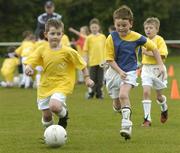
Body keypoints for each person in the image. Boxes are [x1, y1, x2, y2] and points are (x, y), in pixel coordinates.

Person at [105, 5, 166, 140]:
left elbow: (154, 48)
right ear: (114, 23)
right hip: (113, 72)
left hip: (130, 71)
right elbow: (109, 59)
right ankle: (124, 113)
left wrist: (161, 65)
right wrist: (119, 71)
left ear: (131, 24)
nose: (121, 28)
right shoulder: (111, 37)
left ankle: (126, 125)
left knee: (123, 94)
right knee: (116, 105)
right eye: (118, 25)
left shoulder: (138, 37)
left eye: (124, 25)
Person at [24, 19, 94, 129]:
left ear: (62, 34)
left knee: (54, 106)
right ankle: (51, 134)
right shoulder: (41, 49)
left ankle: (64, 115)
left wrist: (87, 78)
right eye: (52, 33)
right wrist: (28, 68)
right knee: (46, 116)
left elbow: (82, 65)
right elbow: (31, 61)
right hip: (45, 85)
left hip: (62, 83)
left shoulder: (68, 51)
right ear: (46, 34)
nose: (55, 36)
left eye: (58, 33)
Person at [141, 17, 168, 127]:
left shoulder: (159, 40)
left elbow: (162, 55)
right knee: (146, 92)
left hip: (158, 69)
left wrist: (148, 53)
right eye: (146, 28)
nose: (148, 30)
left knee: (159, 97)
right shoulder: (143, 40)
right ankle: (147, 119)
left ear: (157, 29)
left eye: (151, 28)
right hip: (146, 69)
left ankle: (164, 108)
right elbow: (141, 54)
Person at [83, 18, 106, 99]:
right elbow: (85, 50)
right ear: (90, 28)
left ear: (98, 27)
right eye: (92, 27)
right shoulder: (88, 38)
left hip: (101, 62)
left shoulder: (103, 37)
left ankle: (99, 94)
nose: (94, 29)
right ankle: (91, 93)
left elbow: (106, 49)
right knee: (92, 79)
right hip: (92, 62)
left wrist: (106, 60)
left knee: (100, 80)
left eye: (95, 27)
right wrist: (85, 60)